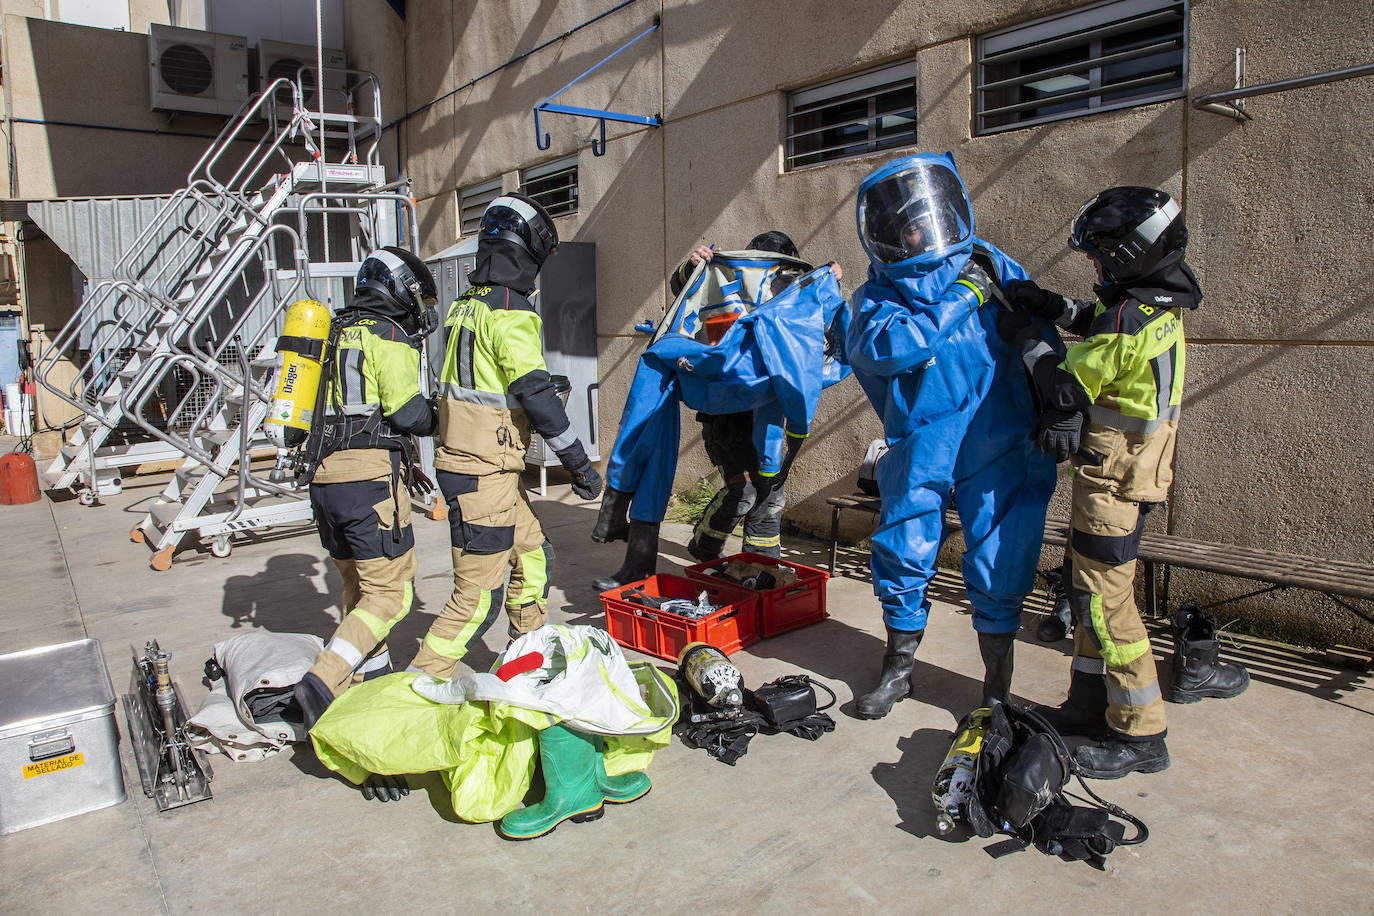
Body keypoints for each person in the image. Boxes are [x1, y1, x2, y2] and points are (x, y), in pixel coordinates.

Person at [996, 185, 1217, 778]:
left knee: (1104, 606)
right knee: (1090, 596)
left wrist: (1027, 336)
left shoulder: (1128, 319)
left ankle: (1141, 734)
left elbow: (1064, 384)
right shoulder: (1154, 305)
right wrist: (1048, 303)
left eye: (1099, 256)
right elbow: (1095, 319)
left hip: (1113, 488)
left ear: (1127, 254)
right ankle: (1090, 707)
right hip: (1129, 479)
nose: (1094, 266)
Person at [845, 153, 1059, 718]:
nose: (917, 233)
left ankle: (996, 691)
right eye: (903, 226)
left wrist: (1060, 405)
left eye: (924, 218)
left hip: (1000, 433)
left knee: (1002, 550)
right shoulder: (877, 295)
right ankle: (898, 671)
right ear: (885, 236)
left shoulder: (992, 264)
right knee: (904, 544)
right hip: (924, 438)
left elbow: (1040, 332)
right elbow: (888, 349)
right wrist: (965, 297)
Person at [410, 191, 602, 677]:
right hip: (482, 475)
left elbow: (482, 382)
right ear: (527, 255)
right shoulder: (511, 310)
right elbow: (533, 392)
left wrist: (529, 394)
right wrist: (577, 461)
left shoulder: (467, 304)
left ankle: (527, 660)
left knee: (535, 557)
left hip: (487, 467)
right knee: (476, 600)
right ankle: (416, 690)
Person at [591, 232, 842, 589]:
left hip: (765, 414)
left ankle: (763, 575)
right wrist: (690, 269)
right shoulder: (730, 292)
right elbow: (691, 296)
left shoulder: (791, 301)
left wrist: (828, 280)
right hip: (725, 417)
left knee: (769, 496)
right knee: (744, 493)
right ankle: (707, 544)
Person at [292, 247, 441, 735]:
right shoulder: (389, 334)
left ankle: (369, 689)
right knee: (390, 597)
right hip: (370, 483)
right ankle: (322, 681)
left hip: (324, 483)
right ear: (400, 292)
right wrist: (449, 415)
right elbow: (408, 414)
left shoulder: (330, 332)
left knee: (358, 593)